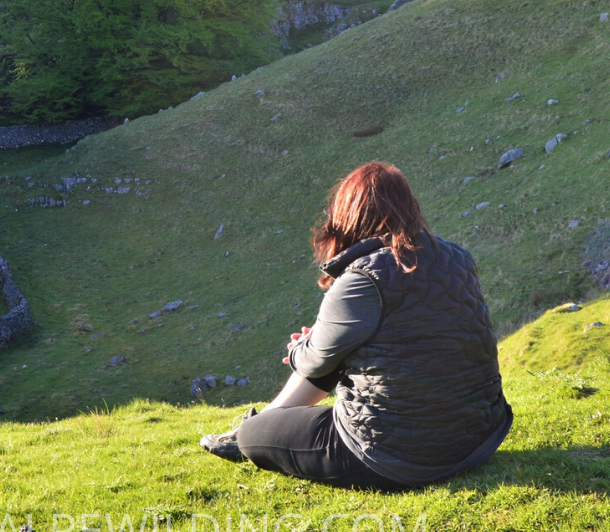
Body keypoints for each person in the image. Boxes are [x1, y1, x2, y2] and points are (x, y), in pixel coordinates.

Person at [200, 162, 512, 490]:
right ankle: (267, 416)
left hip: (396, 457)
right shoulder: (458, 258)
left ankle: (249, 429)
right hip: (477, 441)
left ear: (350, 213)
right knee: (343, 349)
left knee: (255, 436)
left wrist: (299, 350)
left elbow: (314, 360)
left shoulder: (364, 278)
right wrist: (325, 340)